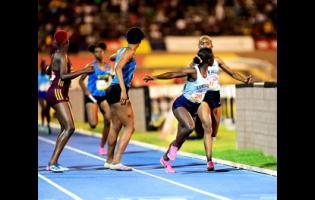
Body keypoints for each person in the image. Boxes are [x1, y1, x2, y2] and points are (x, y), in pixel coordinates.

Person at [143, 48, 215, 173]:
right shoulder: (194, 71)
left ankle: (165, 159)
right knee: (189, 127)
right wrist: (154, 77)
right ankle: (174, 148)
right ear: (208, 60)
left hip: (193, 108)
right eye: (212, 57)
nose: (214, 58)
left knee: (181, 138)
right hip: (181, 105)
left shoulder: (210, 74)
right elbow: (172, 74)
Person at [194, 35, 253, 170]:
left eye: (206, 44)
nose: (204, 46)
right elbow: (187, 76)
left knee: (214, 131)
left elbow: (232, 73)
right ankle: (209, 160)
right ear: (199, 47)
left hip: (215, 95)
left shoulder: (217, 61)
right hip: (202, 95)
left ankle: (207, 134)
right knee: (207, 128)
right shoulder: (196, 62)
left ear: (211, 46)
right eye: (202, 44)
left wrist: (244, 80)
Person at [46, 30, 94, 172]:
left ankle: (53, 162)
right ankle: (52, 162)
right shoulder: (61, 55)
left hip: (59, 92)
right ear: (66, 42)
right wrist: (83, 71)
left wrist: (83, 70)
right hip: (58, 92)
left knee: (64, 128)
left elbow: (52, 70)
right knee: (70, 128)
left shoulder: (59, 55)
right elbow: (63, 76)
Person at [104, 27, 145, 171]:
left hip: (111, 90)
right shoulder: (130, 52)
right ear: (140, 41)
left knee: (115, 126)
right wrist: (123, 90)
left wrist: (118, 57)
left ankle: (109, 160)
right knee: (130, 126)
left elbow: (111, 58)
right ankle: (116, 161)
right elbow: (118, 68)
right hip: (118, 89)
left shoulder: (122, 50)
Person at [79, 42, 113, 156]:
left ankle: (102, 146)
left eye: (100, 51)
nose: (98, 53)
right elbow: (80, 80)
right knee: (93, 124)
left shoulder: (108, 67)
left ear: (104, 52)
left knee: (108, 119)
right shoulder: (91, 67)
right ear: (94, 54)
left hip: (103, 97)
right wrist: (85, 91)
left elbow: (110, 81)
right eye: (96, 51)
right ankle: (94, 112)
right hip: (92, 97)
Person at [38, 58, 52, 134]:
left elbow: (51, 82)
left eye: (45, 65)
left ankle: (48, 124)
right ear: (41, 66)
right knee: (43, 107)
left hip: (47, 93)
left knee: (47, 109)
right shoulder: (39, 75)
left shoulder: (48, 75)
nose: (44, 66)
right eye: (43, 65)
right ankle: (43, 122)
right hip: (40, 93)